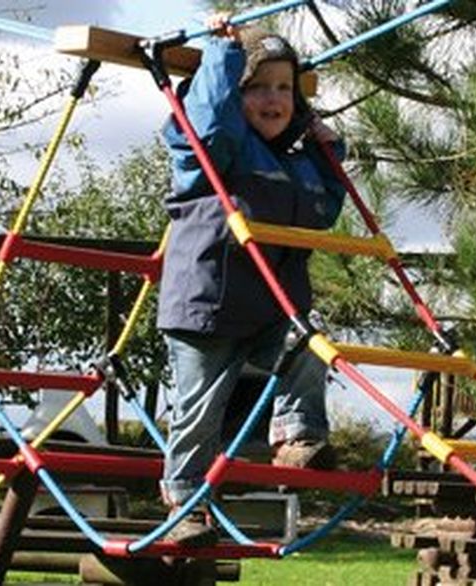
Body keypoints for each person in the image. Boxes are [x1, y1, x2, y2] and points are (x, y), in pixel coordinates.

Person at [156, 14, 347, 546]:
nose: (273, 98)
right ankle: (185, 498)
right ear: (232, 92)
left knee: (306, 343)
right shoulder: (216, 153)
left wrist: (328, 153)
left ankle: (297, 433)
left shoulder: (295, 165)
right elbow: (212, 123)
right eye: (258, 86)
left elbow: (323, 210)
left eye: (285, 88)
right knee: (200, 410)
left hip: (270, 307)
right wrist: (221, 56)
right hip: (208, 303)